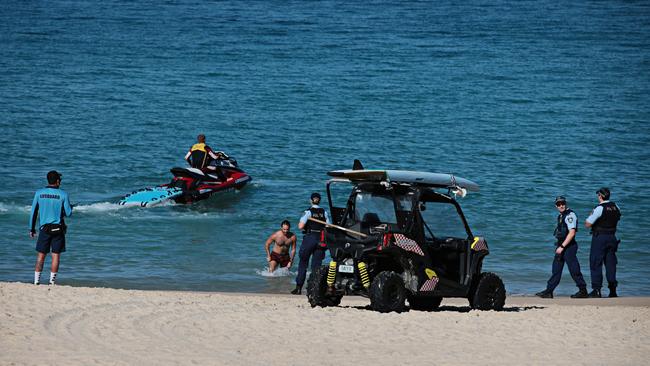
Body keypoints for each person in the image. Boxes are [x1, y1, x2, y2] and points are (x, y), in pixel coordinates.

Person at [536, 196, 588, 299]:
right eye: (559, 204)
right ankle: (549, 291)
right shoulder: (561, 215)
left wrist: (563, 246)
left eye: (563, 203)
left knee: (574, 269)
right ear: (556, 206)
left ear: (566, 204)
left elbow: (572, 233)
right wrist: (560, 246)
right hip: (561, 245)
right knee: (556, 269)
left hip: (569, 246)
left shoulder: (570, 215)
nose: (561, 206)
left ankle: (583, 290)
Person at [29, 171, 73, 285]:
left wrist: (32, 229)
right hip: (58, 229)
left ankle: (36, 281)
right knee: (55, 256)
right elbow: (68, 213)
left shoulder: (39, 193)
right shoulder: (63, 194)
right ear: (57, 181)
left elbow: (33, 212)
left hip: (44, 229)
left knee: (41, 255)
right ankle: (52, 282)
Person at [291, 192, 331, 295]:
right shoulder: (324, 212)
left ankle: (299, 288)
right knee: (316, 267)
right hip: (321, 239)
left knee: (303, 263)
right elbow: (328, 226)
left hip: (310, 238)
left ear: (311, 200)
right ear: (320, 200)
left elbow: (300, 226)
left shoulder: (308, 212)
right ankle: (314, 290)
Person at [585, 187, 622, 298]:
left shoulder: (599, 208)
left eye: (598, 195)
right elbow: (618, 218)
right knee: (611, 264)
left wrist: (592, 213)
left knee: (596, 262)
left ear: (600, 196)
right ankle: (613, 290)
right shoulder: (616, 207)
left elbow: (587, 224)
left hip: (600, 238)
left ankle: (597, 290)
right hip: (612, 237)